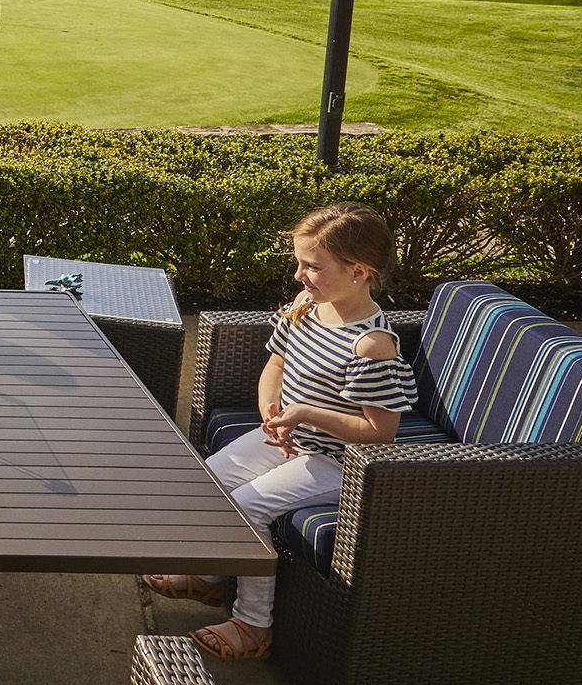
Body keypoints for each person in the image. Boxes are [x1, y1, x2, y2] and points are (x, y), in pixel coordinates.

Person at [141, 202, 416, 661]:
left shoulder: (372, 345)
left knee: (247, 506)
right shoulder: (308, 306)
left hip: (341, 462)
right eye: (299, 262)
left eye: (312, 266)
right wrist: (272, 411)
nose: (298, 275)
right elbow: (276, 364)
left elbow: (379, 433)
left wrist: (304, 413)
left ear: (358, 272)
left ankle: (253, 624)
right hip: (292, 438)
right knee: (208, 481)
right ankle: (209, 579)